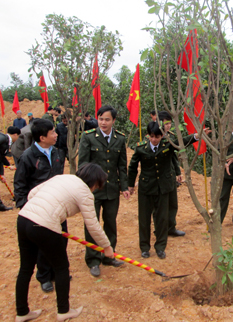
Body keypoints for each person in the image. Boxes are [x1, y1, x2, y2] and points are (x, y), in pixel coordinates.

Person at [15, 163, 114, 322]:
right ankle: (63, 311)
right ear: (95, 183)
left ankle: (22, 312)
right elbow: (93, 226)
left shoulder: (63, 177)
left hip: (24, 218)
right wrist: (107, 247)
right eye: (98, 185)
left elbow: (32, 193)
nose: (96, 189)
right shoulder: (85, 193)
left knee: (26, 268)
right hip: (44, 225)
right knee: (61, 268)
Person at [128, 121, 209, 259]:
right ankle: (145, 247)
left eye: (157, 137)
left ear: (162, 136)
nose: (154, 139)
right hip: (146, 188)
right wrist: (130, 185)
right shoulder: (140, 148)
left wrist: (196, 136)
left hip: (163, 187)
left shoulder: (167, 145)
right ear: (148, 135)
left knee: (162, 219)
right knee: (144, 219)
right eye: (152, 136)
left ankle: (160, 247)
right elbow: (132, 167)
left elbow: (181, 142)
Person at [78, 105, 129, 277]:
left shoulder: (120, 139)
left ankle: (109, 255)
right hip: (92, 191)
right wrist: (84, 188)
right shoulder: (88, 137)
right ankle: (93, 260)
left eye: (107, 119)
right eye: (100, 119)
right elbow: (83, 165)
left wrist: (125, 186)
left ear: (114, 120)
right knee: (92, 224)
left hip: (112, 189)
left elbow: (122, 165)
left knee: (110, 223)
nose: (103, 122)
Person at [14, 119, 63, 294]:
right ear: (42, 137)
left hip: (57, 207)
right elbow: (20, 184)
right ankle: (44, 276)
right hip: (38, 210)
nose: (56, 135)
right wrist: (25, 208)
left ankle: (58, 272)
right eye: (52, 133)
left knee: (60, 240)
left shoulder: (57, 152)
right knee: (43, 245)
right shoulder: (28, 156)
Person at [157, 111, 185, 237]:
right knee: (159, 206)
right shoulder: (154, 136)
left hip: (170, 174)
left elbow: (173, 156)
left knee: (173, 203)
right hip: (158, 176)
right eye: (166, 123)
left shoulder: (170, 137)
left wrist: (178, 171)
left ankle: (171, 227)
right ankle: (160, 229)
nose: (168, 126)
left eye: (169, 123)